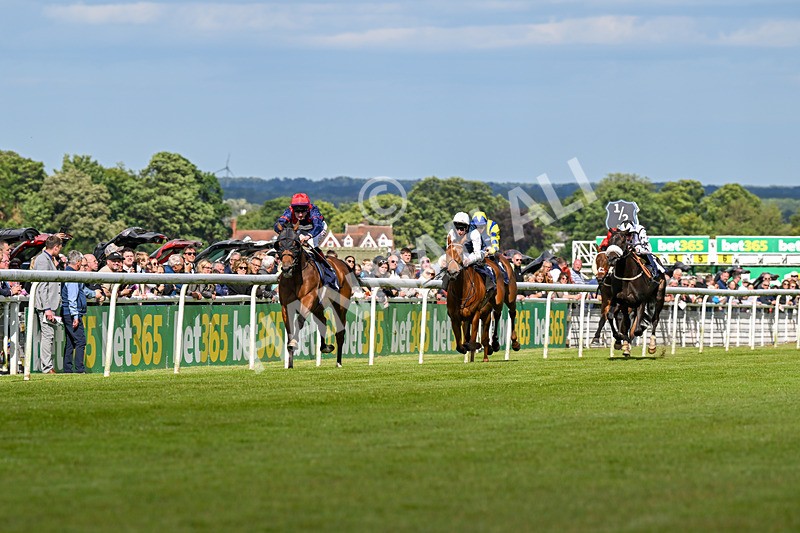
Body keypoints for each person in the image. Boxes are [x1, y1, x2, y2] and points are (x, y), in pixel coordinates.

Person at [273, 192, 336, 288]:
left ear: (308, 209)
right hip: (300, 229)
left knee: (311, 245)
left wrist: (308, 236)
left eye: (303, 211)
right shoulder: (289, 211)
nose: (300, 215)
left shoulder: (313, 210)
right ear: (293, 209)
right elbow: (278, 225)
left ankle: (328, 269)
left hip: (317, 229)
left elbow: (318, 226)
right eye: (297, 212)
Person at [442, 211, 495, 293]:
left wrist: (468, 260)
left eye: (461, 229)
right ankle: (444, 285)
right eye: (457, 228)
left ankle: (489, 284)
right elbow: (449, 250)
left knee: (479, 264)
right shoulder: (451, 233)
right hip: (460, 253)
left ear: (466, 227)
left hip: (477, 252)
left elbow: (477, 254)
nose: (459, 231)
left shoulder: (474, 233)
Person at [33, 235, 62, 374]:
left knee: (49, 335)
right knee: (48, 335)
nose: (60, 250)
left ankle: (48, 366)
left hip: (50, 304)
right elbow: (42, 286)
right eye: (60, 247)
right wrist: (47, 308)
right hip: (46, 305)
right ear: (55, 247)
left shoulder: (48, 259)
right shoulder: (43, 260)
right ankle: (47, 367)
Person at [61, 250, 87, 373]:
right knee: (80, 341)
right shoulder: (72, 275)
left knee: (71, 342)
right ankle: (79, 369)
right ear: (77, 262)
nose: (81, 265)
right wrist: (75, 316)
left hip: (67, 312)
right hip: (71, 313)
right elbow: (72, 298)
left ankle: (67, 369)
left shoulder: (66, 273)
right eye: (81, 263)